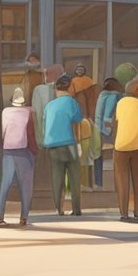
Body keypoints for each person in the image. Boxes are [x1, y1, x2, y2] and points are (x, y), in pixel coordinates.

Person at [112, 81, 138, 222]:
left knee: (122, 181)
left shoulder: (121, 103)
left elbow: (116, 123)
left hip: (121, 146)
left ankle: (123, 213)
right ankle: (137, 212)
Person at [43, 74, 84, 216]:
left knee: (57, 177)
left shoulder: (49, 106)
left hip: (52, 144)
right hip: (69, 144)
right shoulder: (72, 102)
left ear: (56, 89)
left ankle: (59, 209)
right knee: (74, 177)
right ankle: (76, 209)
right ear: (69, 87)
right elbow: (78, 120)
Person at [0, 87, 38, 226]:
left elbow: (2, 132)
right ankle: (24, 217)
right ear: (24, 101)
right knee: (26, 186)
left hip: (8, 150)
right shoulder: (28, 112)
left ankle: (0, 216)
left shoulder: (5, 112)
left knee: (5, 184)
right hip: (24, 150)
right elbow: (31, 134)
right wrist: (35, 151)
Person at [94, 77, 122, 189]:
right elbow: (108, 115)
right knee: (119, 152)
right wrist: (110, 130)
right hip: (107, 131)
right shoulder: (114, 96)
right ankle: (118, 183)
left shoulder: (102, 95)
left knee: (98, 156)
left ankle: (98, 182)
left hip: (97, 129)